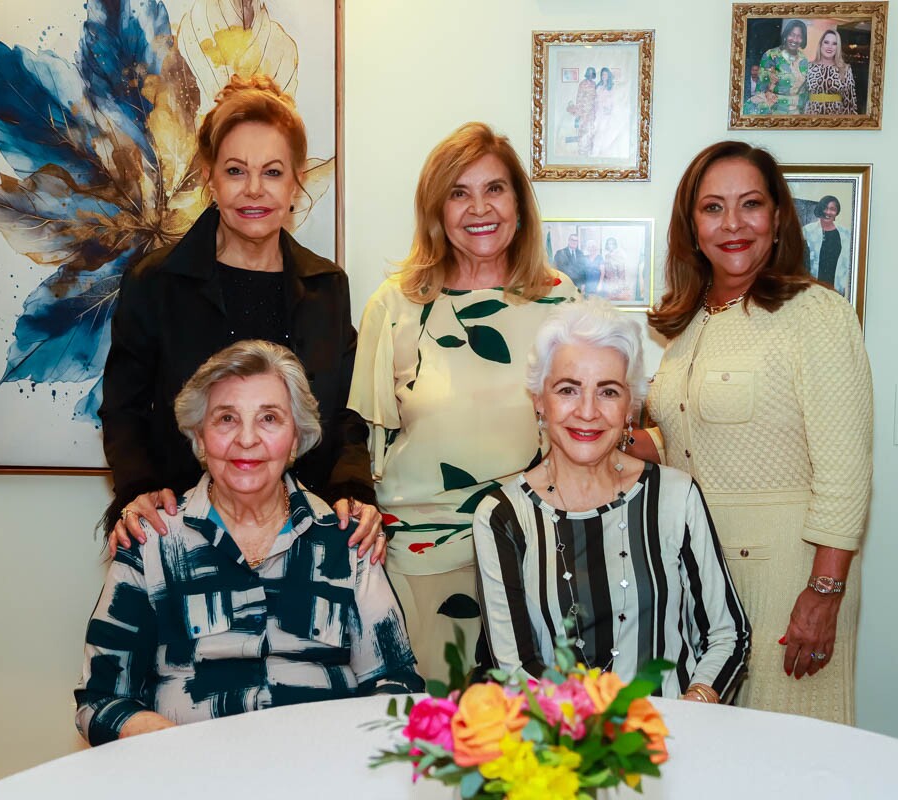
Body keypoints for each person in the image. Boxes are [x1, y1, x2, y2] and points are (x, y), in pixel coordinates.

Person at [75, 341, 422, 745]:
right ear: (200, 438)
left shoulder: (347, 539)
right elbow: (99, 702)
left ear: (296, 440)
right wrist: (173, 749)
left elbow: (398, 687)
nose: (246, 439)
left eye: (269, 418)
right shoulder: (151, 540)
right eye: (226, 418)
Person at [100, 75, 383, 562]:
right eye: (235, 171)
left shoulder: (326, 288)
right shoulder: (157, 281)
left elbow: (344, 417)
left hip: (308, 543)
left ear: (298, 180)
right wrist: (137, 490)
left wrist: (353, 493)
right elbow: (123, 410)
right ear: (209, 177)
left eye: (273, 172)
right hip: (178, 542)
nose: (254, 190)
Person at [638, 141, 873, 724]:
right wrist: (612, 440)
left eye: (751, 205)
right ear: (692, 227)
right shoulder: (689, 321)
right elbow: (688, 440)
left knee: (788, 761)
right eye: (713, 208)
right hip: (695, 576)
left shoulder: (816, 314)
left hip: (784, 577)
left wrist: (823, 594)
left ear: (777, 219)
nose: (733, 224)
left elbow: (845, 471)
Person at [349, 122, 579, 682]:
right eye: (459, 192)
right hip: (420, 562)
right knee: (426, 743)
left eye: (494, 189)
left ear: (519, 204)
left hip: (533, 558)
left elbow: (581, 433)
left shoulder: (560, 301)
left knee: (525, 748)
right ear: (436, 210)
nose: (479, 208)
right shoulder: (397, 305)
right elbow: (362, 439)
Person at [474, 299, 750, 700]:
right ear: (539, 401)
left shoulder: (675, 496)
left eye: (608, 392)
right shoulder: (502, 517)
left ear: (629, 409)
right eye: (568, 389)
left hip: (675, 737)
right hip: (562, 744)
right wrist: (594, 740)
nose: (587, 412)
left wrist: (694, 709)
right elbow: (515, 670)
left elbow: (727, 633)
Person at [801, 195, 852, 298]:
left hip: (836, 288)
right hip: (812, 288)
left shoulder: (845, 234)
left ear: (837, 212)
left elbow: (848, 264)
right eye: (825, 208)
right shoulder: (807, 231)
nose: (828, 212)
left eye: (832, 209)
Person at [755, 19, 810, 114]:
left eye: (799, 36)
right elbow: (760, 90)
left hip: (796, 115)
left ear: (803, 39)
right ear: (786, 35)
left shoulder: (804, 60)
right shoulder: (771, 55)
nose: (795, 40)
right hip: (774, 113)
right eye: (792, 35)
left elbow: (805, 93)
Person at [804, 30, 858, 115]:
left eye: (834, 44)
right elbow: (801, 97)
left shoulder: (845, 69)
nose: (830, 47)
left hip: (835, 120)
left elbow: (850, 102)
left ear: (838, 47)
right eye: (826, 42)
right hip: (811, 119)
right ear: (821, 44)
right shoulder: (809, 67)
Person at [592, 67, 628, 158]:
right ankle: (596, 150)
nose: (604, 76)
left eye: (606, 75)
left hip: (606, 113)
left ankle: (597, 151)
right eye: (603, 74)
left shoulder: (611, 87)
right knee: (596, 130)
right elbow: (595, 99)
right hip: (597, 111)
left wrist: (608, 108)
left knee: (602, 131)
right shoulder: (598, 86)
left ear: (608, 76)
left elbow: (613, 101)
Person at [568, 67, 598, 156]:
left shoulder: (594, 84)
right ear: (586, 74)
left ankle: (590, 153)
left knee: (591, 133)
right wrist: (579, 114)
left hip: (592, 113)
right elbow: (579, 99)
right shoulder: (582, 84)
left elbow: (595, 98)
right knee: (582, 133)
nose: (590, 75)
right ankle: (581, 153)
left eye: (592, 73)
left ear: (593, 75)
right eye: (588, 73)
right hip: (583, 113)